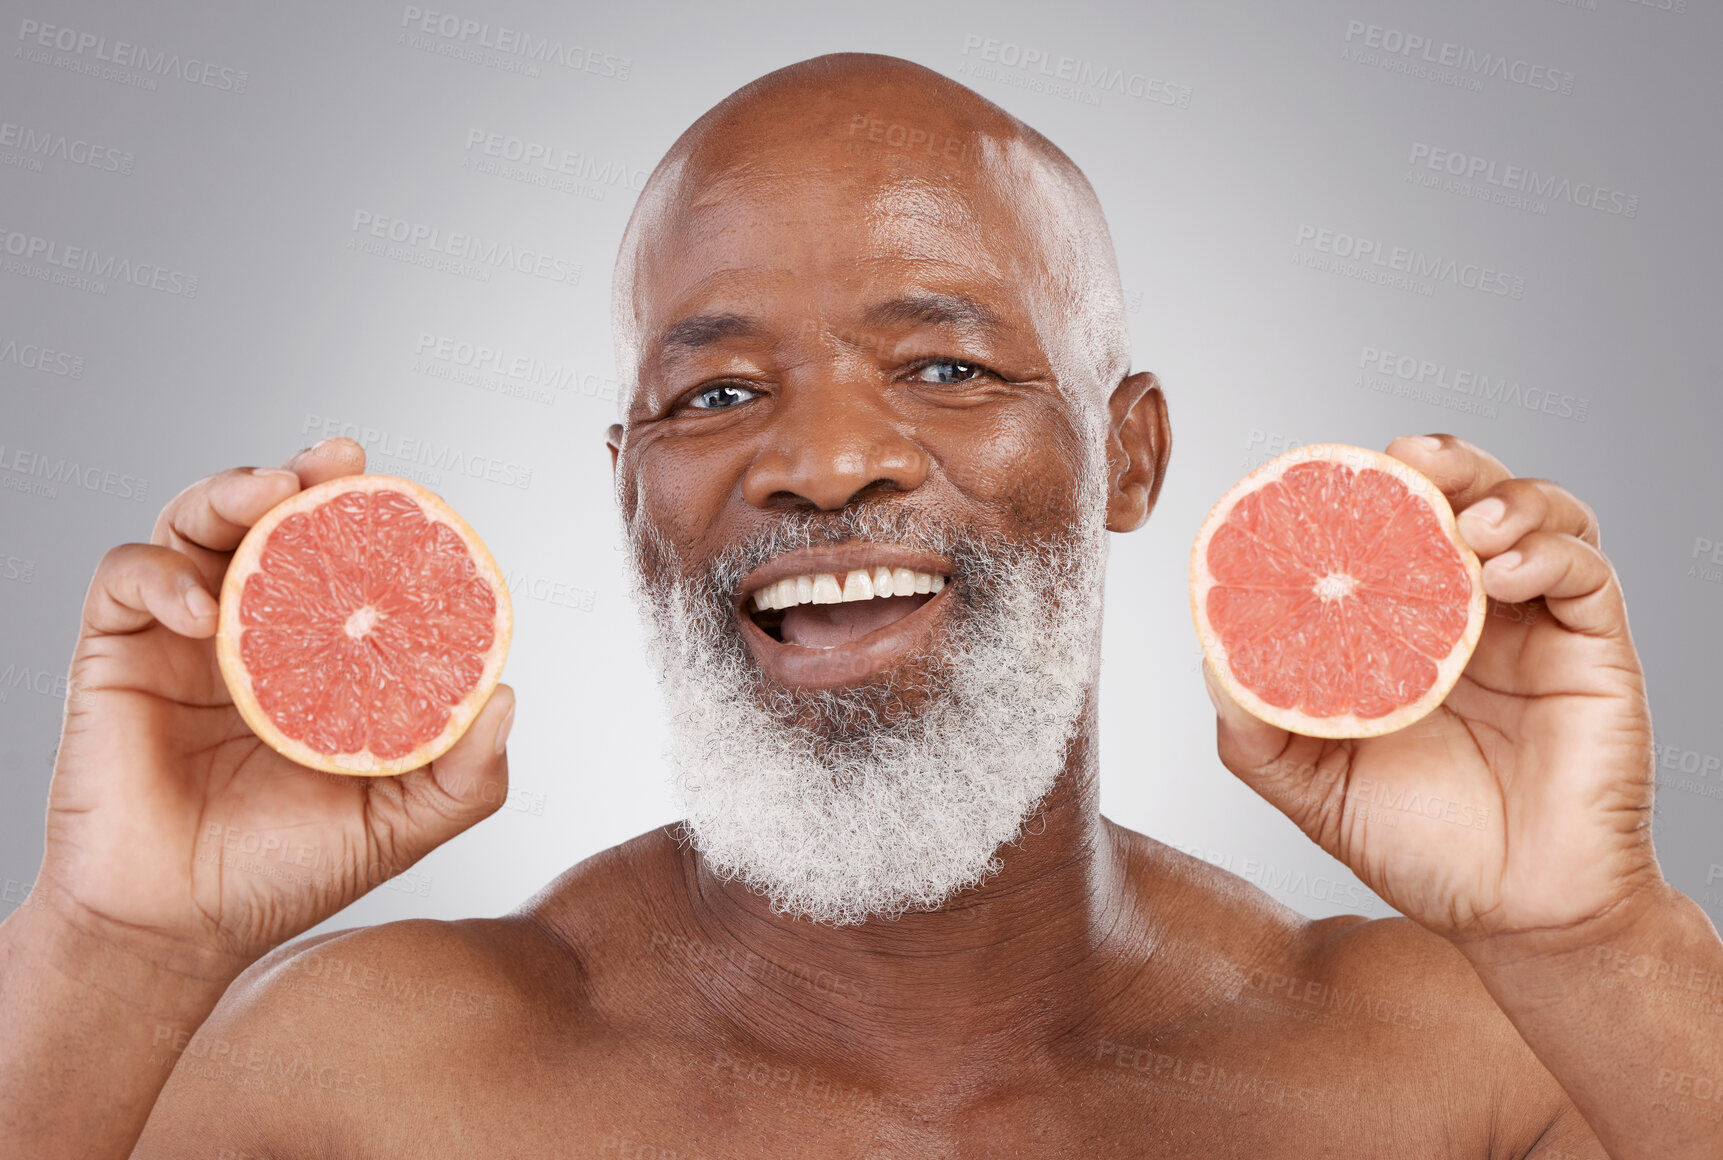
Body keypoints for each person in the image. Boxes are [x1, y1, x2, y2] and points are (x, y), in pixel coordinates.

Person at [3, 53, 1718, 1160]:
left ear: (1130, 457)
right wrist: (114, 951)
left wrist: (1597, 944)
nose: (824, 463)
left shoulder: (1461, 1078)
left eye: (947, 363)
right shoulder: (362, 1091)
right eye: (716, 395)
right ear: (627, 489)